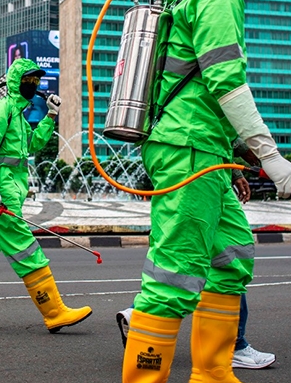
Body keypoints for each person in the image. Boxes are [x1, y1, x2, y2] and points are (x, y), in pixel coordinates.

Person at [116, 0, 291, 383]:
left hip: (205, 148)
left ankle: (214, 373)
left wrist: (242, 153)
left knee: (232, 255)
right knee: (175, 271)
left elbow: (200, 82)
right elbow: (225, 79)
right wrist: (270, 154)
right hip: (190, 147)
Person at [0, 58, 92, 333]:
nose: (33, 85)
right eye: (28, 81)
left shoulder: (19, 117)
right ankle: (54, 311)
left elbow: (33, 144)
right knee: (27, 249)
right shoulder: (3, 109)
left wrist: (50, 117)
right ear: (16, 82)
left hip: (1, 192)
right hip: (0, 192)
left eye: (36, 81)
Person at [115, 139, 276, 370]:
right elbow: (220, 109)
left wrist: (232, 170)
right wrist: (265, 155)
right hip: (194, 159)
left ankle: (222, 357)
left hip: (199, 159)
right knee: (192, 259)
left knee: (228, 257)